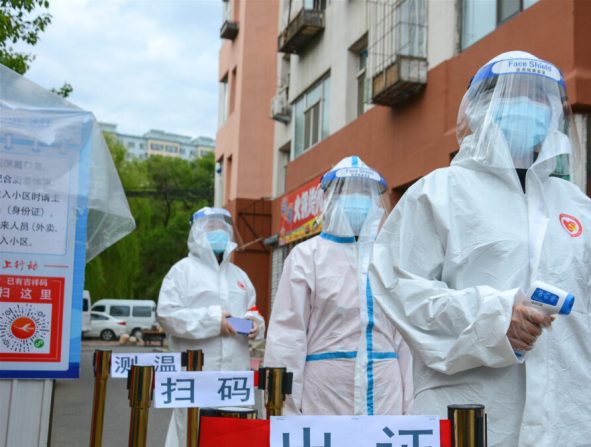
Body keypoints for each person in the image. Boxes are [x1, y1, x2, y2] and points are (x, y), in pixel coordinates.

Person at [368, 51, 591, 446]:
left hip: (568, 420)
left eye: (539, 98)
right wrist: (495, 319)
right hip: (474, 412)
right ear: (481, 107)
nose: (529, 107)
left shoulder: (574, 206)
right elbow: (399, 289)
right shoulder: (439, 193)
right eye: (513, 96)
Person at [264, 156, 412, 416]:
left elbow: (406, 342)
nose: (357, 200)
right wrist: (284, 412)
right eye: (347, 192)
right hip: (325, 395)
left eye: (364, 193)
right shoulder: (306, 257)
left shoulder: (389, 259)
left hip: (385, 394)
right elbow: (287, 339)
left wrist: (412, 411)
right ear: (329, 199)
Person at [157, 207, 264, 447]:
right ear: (196, 232)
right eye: (211, 227)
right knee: (191, 434)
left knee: (234, 435)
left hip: (235, 378)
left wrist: (255, 324)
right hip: (196, 376)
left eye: (222, 227)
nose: (218, 232)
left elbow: (253, 311)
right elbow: (167, 314)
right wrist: (214, 320)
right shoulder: (182, 272)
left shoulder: (240, 276)